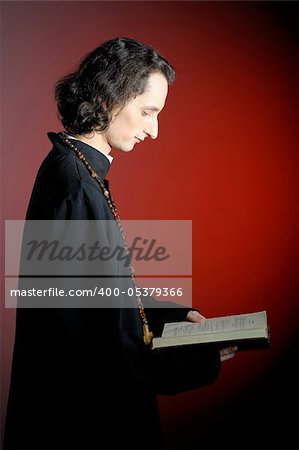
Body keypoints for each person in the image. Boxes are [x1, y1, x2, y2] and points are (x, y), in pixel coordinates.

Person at [4, 37, 237, 450]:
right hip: (83, 424)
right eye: (148, 112)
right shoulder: (74, 184)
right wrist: (196, 357)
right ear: (109, 97)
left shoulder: (73, 169)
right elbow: (101, 344)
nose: (154, 129)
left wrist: (180, 317)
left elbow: (104, 294)